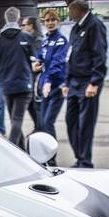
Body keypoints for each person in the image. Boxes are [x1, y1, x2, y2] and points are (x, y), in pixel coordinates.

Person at [62, 0, 108, 168]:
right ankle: (79, 156)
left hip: (88, 82)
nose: (68, 12)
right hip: (74, 82)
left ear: (76, 8)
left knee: (85, 124)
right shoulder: (75, 28)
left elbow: (99, 55)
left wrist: (94, 82)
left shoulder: (95, 25)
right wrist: (66, 82)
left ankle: (85, 161)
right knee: (71, 121)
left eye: (69, 8)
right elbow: (70, 56)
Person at [0, 7, 39, 148]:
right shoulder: (26, 37)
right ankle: (13, 149)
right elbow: (34, 60)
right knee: (16, 120)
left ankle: (21, 150)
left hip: (6, 84)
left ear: (6, 19)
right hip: (24, 84)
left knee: (14, 120)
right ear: (18, 19)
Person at [35, 8, 69, 136]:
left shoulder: (61, 40)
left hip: (56, 87)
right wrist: (36, 63)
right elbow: (40, 56)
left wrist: (48, 81)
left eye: (53, 20)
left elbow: (57, 63)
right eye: (47, 20)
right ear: (44, 23)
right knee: (43, 123)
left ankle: (51, 155)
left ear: (58, 21)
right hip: (44, 87)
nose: (50, 23)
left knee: (48, 122)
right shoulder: (45, 41)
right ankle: (45, 154)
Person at [21, 16, 42, 131]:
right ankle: (37, 127)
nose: (22, 27)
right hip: (28, 76)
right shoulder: (26, 39)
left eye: (24, 25)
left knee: (35, 104)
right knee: (30, 104)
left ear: (31, 26)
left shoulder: (37, 40)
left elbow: (38, 61)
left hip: (36, 78)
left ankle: (40, 128)